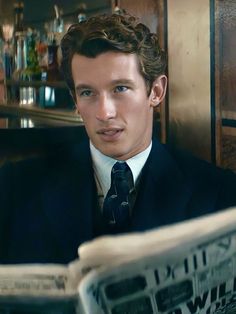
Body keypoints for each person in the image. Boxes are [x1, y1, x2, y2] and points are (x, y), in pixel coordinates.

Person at [0, 13, 236, 265]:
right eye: (88, 92)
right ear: (76, 101)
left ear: (155, 92)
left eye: (120, 89)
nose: (104, 113)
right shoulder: (15, 187)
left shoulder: (218, 194)